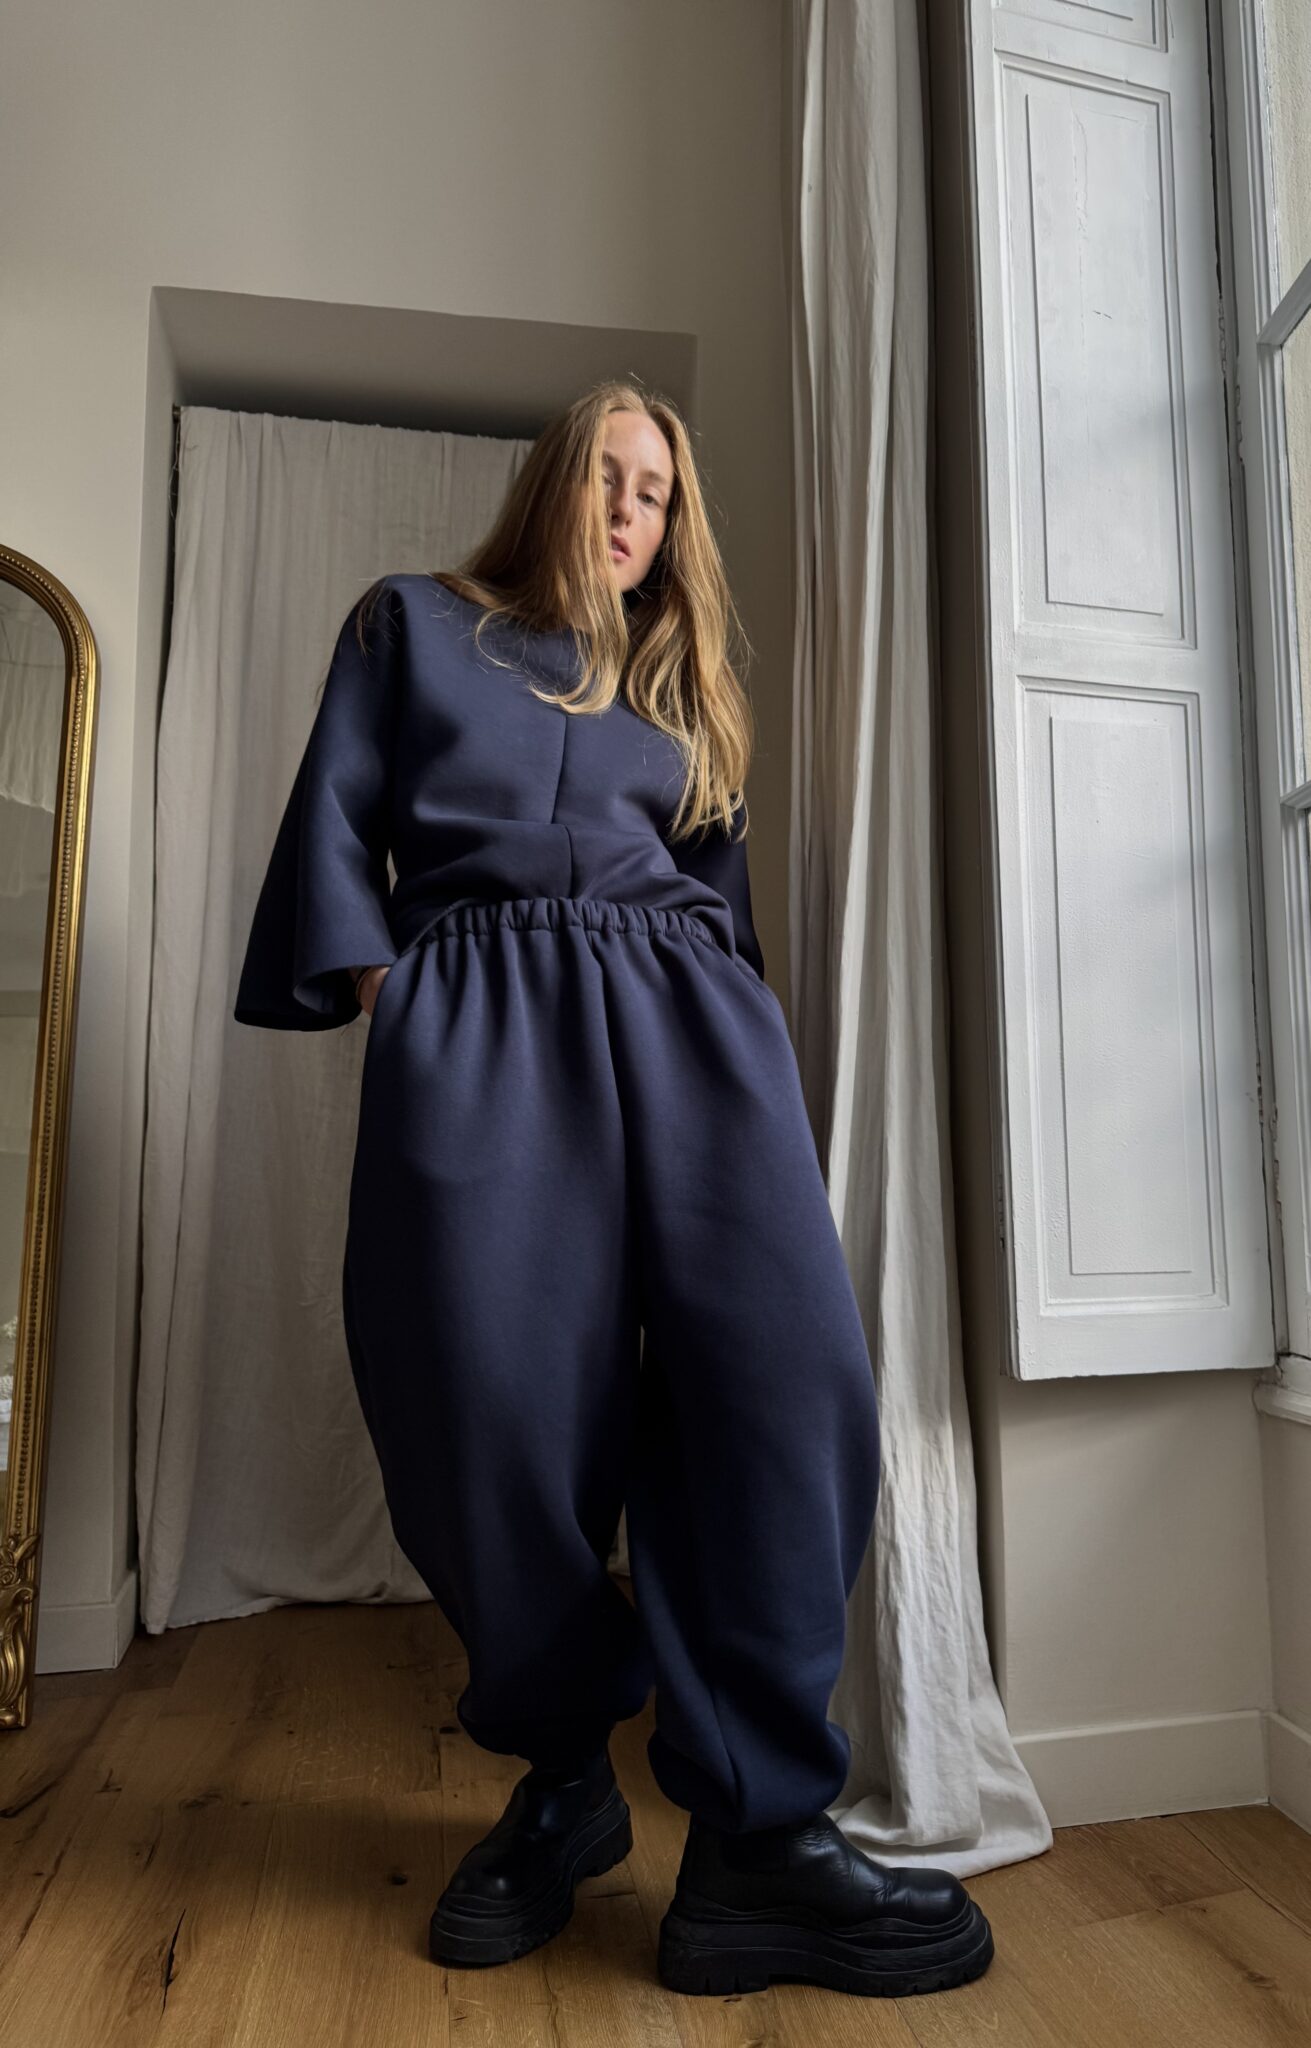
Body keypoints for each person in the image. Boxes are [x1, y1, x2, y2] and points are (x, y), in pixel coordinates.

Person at [233, 379, 994, 2000]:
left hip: (691, 1028)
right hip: (483, 1024)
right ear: (554, 482)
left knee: (785, 1384)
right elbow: (336, 826)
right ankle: (567, 1774)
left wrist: (740, 1044)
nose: (635, 504)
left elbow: (719, 897)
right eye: (611, 473)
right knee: (486, 1406)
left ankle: (757, 1842)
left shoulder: (679, 687)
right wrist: (394, 997)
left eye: (660, 488)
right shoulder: (413, 624)